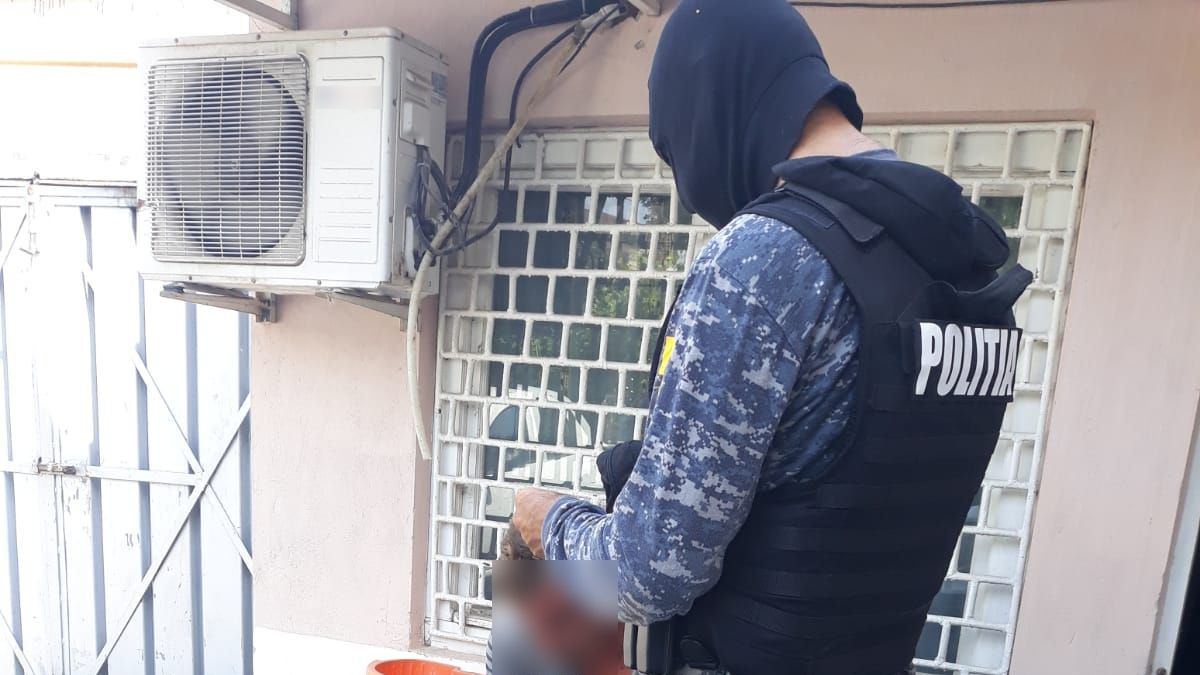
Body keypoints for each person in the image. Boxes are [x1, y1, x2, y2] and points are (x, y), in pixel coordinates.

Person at [513, 1, 1031, 673]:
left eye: (674, 149)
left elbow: (646, 575)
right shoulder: (961, 261)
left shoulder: (762, 259)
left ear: (708, 109)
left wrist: (550, 520)